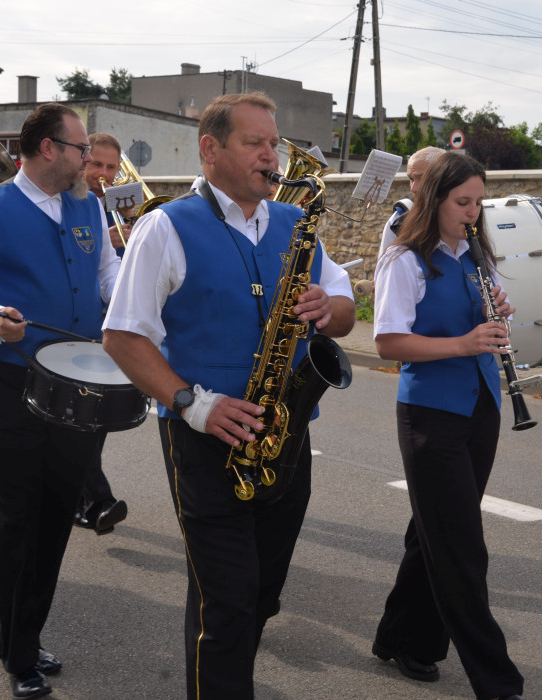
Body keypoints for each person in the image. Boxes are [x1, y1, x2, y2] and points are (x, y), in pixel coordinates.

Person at [102, 92, 356, 699]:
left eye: (274, 144)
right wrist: (193, 403)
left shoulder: (298, 223)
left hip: (285, 435)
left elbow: (345, 309)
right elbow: (121, 336)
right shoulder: (165, 226)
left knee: (259, 596)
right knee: (228, 602)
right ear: (210, 149)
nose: (272, 157)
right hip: (203, 436)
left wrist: (331, 308)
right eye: (256, 144)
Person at [0, 103, 120, 700]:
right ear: (47, 149)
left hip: (79, 382)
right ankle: (18, 652)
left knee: (59, 513)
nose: (88, 159)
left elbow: (107, 275)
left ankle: (26, 630)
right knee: (18, 514)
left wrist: (132, 315)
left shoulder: (88, 203)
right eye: (80, 149)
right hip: (9, 381)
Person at [371, 150, 524, 700]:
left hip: (481, 404)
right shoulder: (404, 259)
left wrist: (495, 313)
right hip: (431, 413)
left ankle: (400, 637)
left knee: (431, 532)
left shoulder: (474, 253)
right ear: (433, 198)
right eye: (463, 202)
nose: (473, 212)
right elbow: (388, 341)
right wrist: (463, 342)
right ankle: (497, 680)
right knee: (462, 547)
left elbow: (478, 321)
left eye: (478, 202)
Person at [70, 131, 129, 535]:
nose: (103, 174)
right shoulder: (79, 205)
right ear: (83, 161)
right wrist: (103, 243)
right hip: (78, 324)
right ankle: (97, 500)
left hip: (111, 324)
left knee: (96, 418)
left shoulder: (120, 207)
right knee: (82, 417)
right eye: (97, 165)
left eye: (111, 167)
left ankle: (78, 497)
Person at [379, 145, 542, 258]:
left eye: (420, 178)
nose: (413, 188)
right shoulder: (399, 223)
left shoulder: (472, 215)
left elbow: (514, 234)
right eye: (410, 179)